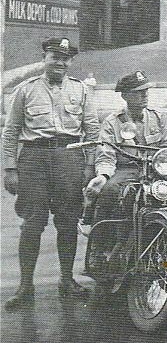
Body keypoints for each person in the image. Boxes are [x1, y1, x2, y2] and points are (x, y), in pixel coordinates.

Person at [2, 37, 100, 310]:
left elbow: (92, 130)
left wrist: (89, 166)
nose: (59, 62)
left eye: (65, 58)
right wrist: (10, 168)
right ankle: (25, 286)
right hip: (33, 158)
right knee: (32, 223)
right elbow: (10, 131)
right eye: (54, 56)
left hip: (69, 157)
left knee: (68, 221)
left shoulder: (81, 90)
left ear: (70, 62)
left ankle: (67, 280)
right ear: (44, 58)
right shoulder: (26, 90)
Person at [84, 71, 167, 264]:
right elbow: (106, 153)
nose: (144, 95)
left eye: (145, 90)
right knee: (110, 189)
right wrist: (103, 175)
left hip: (155, 169)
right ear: (125, 95)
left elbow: (166, 147)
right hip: (127, 170)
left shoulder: (158, 118)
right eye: (138, 92)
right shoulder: (112, 121)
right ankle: (98, 248)